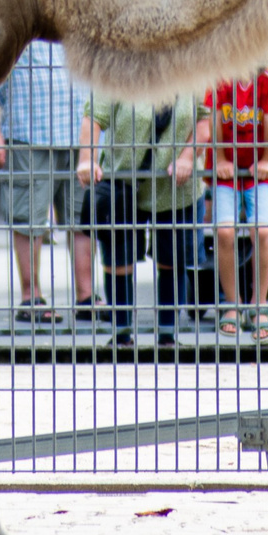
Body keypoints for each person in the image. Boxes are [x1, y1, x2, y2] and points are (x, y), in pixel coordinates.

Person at [76, 91, 207, 348]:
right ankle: (122, 334)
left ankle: (168, 335)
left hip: (175, 185)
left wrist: (188, 156)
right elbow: (93, 117)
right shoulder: (120, 63)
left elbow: (205, 120)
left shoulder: (194, 63)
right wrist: (87, 160)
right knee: (118, 258)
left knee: (172, 259)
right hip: (124, 181)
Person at [0, 40, 99, 322]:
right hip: (29, 130)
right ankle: (31, 297)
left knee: (82, 218)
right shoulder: (19, 11)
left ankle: (86, 296)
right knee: (28, 219)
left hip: (79, 132)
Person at [195, 65, 268, 341]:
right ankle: (232, 304)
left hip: (259, 168)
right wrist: (220, 159)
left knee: (263, 230)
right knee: (224, 231)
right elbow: (216, 120)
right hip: (227, 168)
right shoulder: (222, 73)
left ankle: (260, 304)